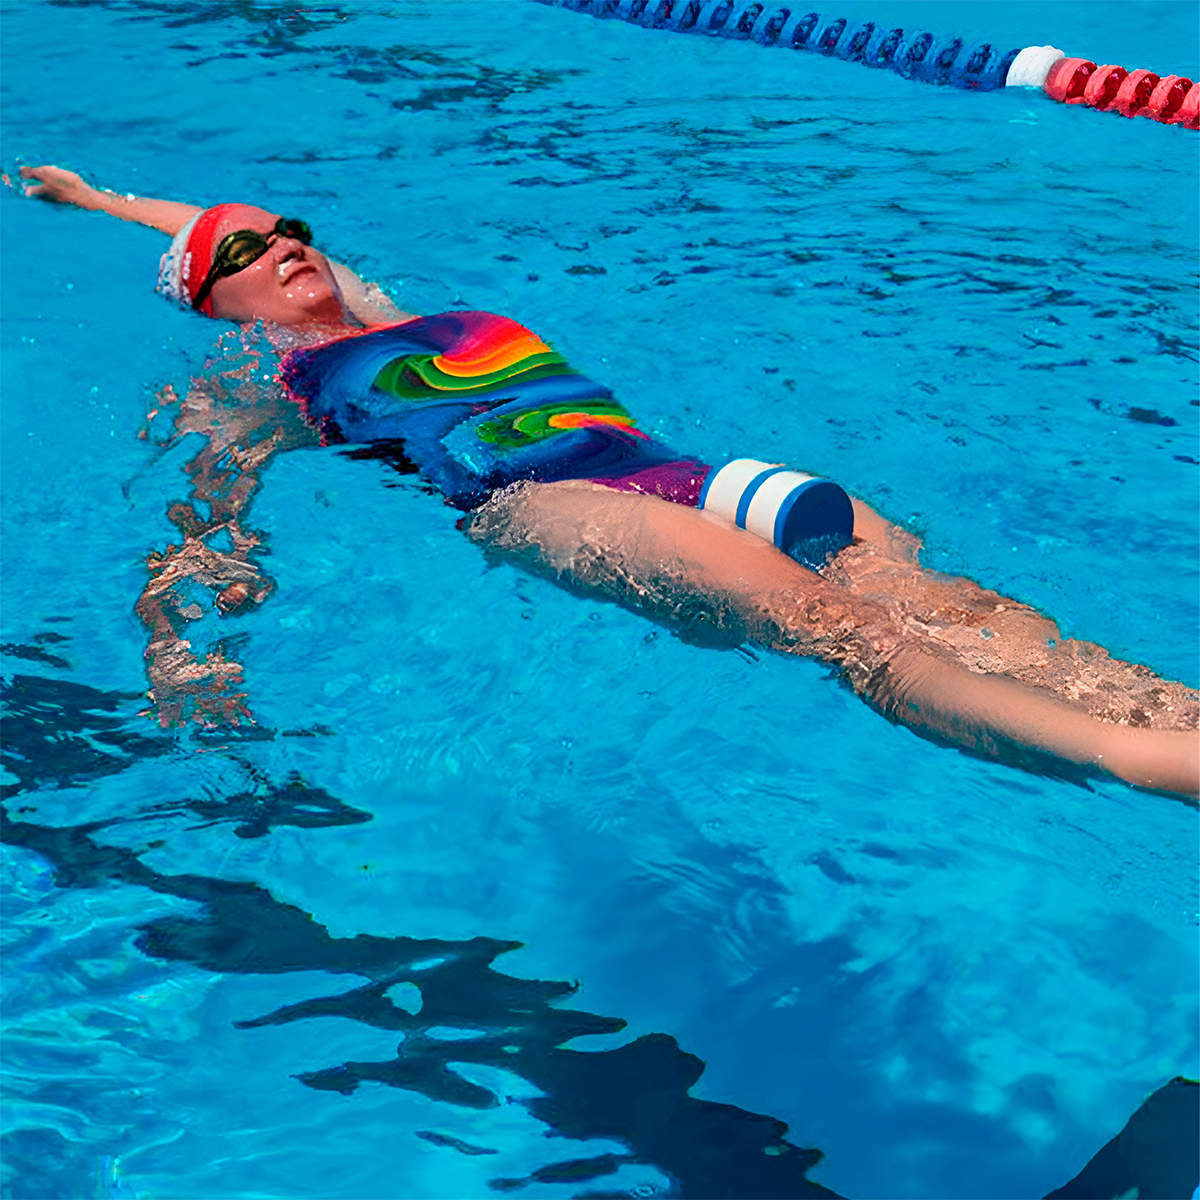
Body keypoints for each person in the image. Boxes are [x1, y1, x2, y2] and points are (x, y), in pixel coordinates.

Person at [16, 165, 1199, 797]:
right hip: (546, 502)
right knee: (847, 630)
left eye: (286, 228)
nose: (281, 245)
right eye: (245, 251)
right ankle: (1149, 766)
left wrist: (98, 198)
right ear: (214, 300)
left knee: (943, 600)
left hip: (679, 466)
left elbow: (206, 219)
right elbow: (204, 522)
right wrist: (180, 644)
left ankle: (1178, 721)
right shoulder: (265, 388)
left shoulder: (384, 312)